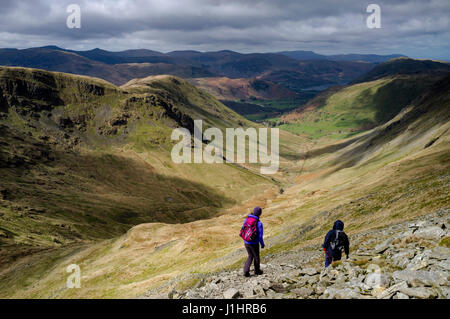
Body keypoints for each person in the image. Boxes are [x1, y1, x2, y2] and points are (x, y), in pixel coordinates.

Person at [241, 206, 265, 277]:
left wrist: (245, 239)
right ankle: (257, 271)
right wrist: (262, 244)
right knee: (256, 257)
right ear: (260, 214)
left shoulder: (247, 219)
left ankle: (246, 271)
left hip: (246, 242)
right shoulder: (259, 223)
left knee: (250, 256)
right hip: (254, 243)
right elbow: (260, 236)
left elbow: (243, 228)